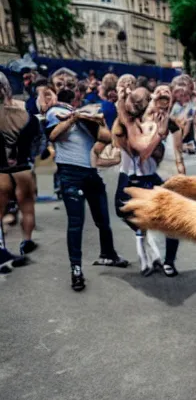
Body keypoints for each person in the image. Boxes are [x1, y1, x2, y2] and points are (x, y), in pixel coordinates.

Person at [46, 68, 128, 292]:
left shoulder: (84, 112)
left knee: (102, 218)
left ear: (78, 92)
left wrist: (91, 119)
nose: (66, 89)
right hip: (70, 173)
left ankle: (108, 254)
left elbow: (107, 137)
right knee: (76, 223)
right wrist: (75, 117)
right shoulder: (54, 112)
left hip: (90, 172)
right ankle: (76, 270)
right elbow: (54, 135)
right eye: (61, 85)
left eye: (71, 85)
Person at [113, 82, 180, 277]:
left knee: (172, 220)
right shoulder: (132, 125)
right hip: (140, 178)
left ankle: (166, 261)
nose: (160, 97)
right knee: (133, 216)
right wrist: (159, 133)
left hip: (160, 175)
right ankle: (150, 254)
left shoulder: (166, 122)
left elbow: (176, 152)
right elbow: (143, 151)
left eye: (165, 94)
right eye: (156, 94)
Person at [0, 73, 40, 273]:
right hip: (23, 169)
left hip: (1, 171)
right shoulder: (24, 114)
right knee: (27, 208)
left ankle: (1, 248)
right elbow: (37, 140)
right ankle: (26, 241)